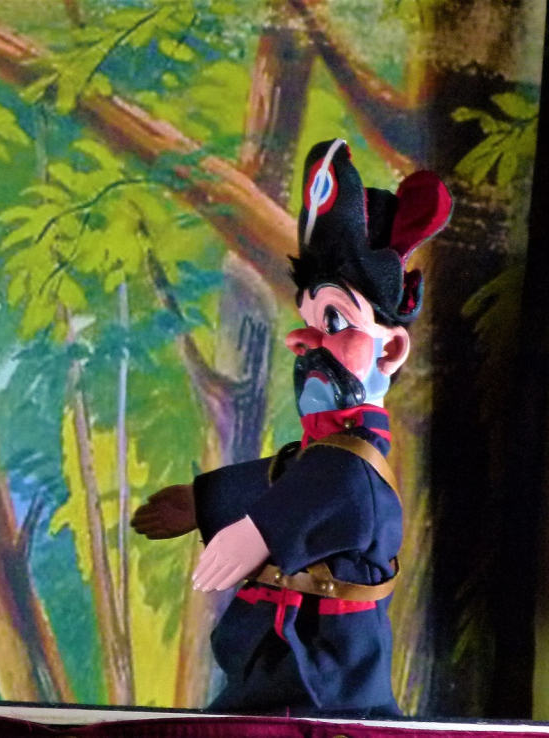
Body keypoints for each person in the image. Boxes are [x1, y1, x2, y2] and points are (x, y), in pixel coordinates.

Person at [131, 139, 452, 716]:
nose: (302, 340)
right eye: (307, 320)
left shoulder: (357, 471)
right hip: (279, 664)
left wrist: (258, 531)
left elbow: (338, 490)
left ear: (390, 350)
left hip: (330, 678)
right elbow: (289, 475)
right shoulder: (321, 456)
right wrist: (205, 502)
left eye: (334, 321)